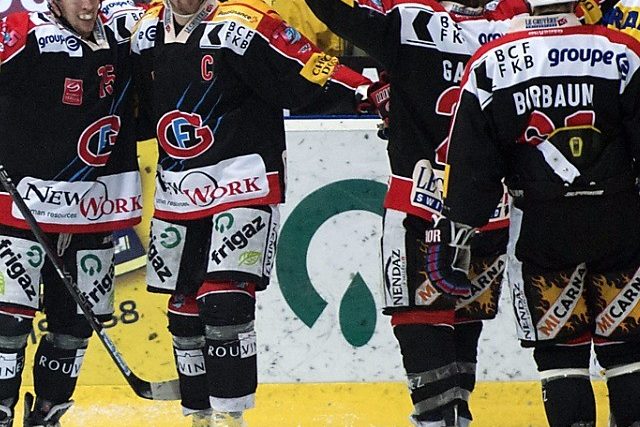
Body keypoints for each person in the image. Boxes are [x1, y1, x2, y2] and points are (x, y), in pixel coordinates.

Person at [130, 0, 372, 425]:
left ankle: (230, 418)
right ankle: (199, 416)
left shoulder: (243, 23)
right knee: (184, 311)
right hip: (178, 190)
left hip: (242, 180)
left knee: (225, 302)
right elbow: (133, 107)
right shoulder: (145, 32)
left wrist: (368, 93)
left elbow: (307, 69)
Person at [429, 0, 640, 424]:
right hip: (620, 221)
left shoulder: (491, 62)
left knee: (560, 354)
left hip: (541, 230)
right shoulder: (623, 50)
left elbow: (470, 164)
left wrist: (457, 230)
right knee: (629, 349)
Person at [303, 0, 513, 425]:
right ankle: (457, 417)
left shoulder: (411, 20)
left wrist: (388, 90)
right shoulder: (514, 27)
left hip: (421, 206)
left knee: (421, 324)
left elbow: (333, 11)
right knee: (463, 324)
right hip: (490, 210)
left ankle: (439, 420)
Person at [0, 0, 142, 424]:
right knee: (8, 323)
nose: (87, 4)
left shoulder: (124, 24)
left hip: (93, 208)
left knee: (76, 325)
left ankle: (48, 413)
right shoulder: (24, 31)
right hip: (21, 207)